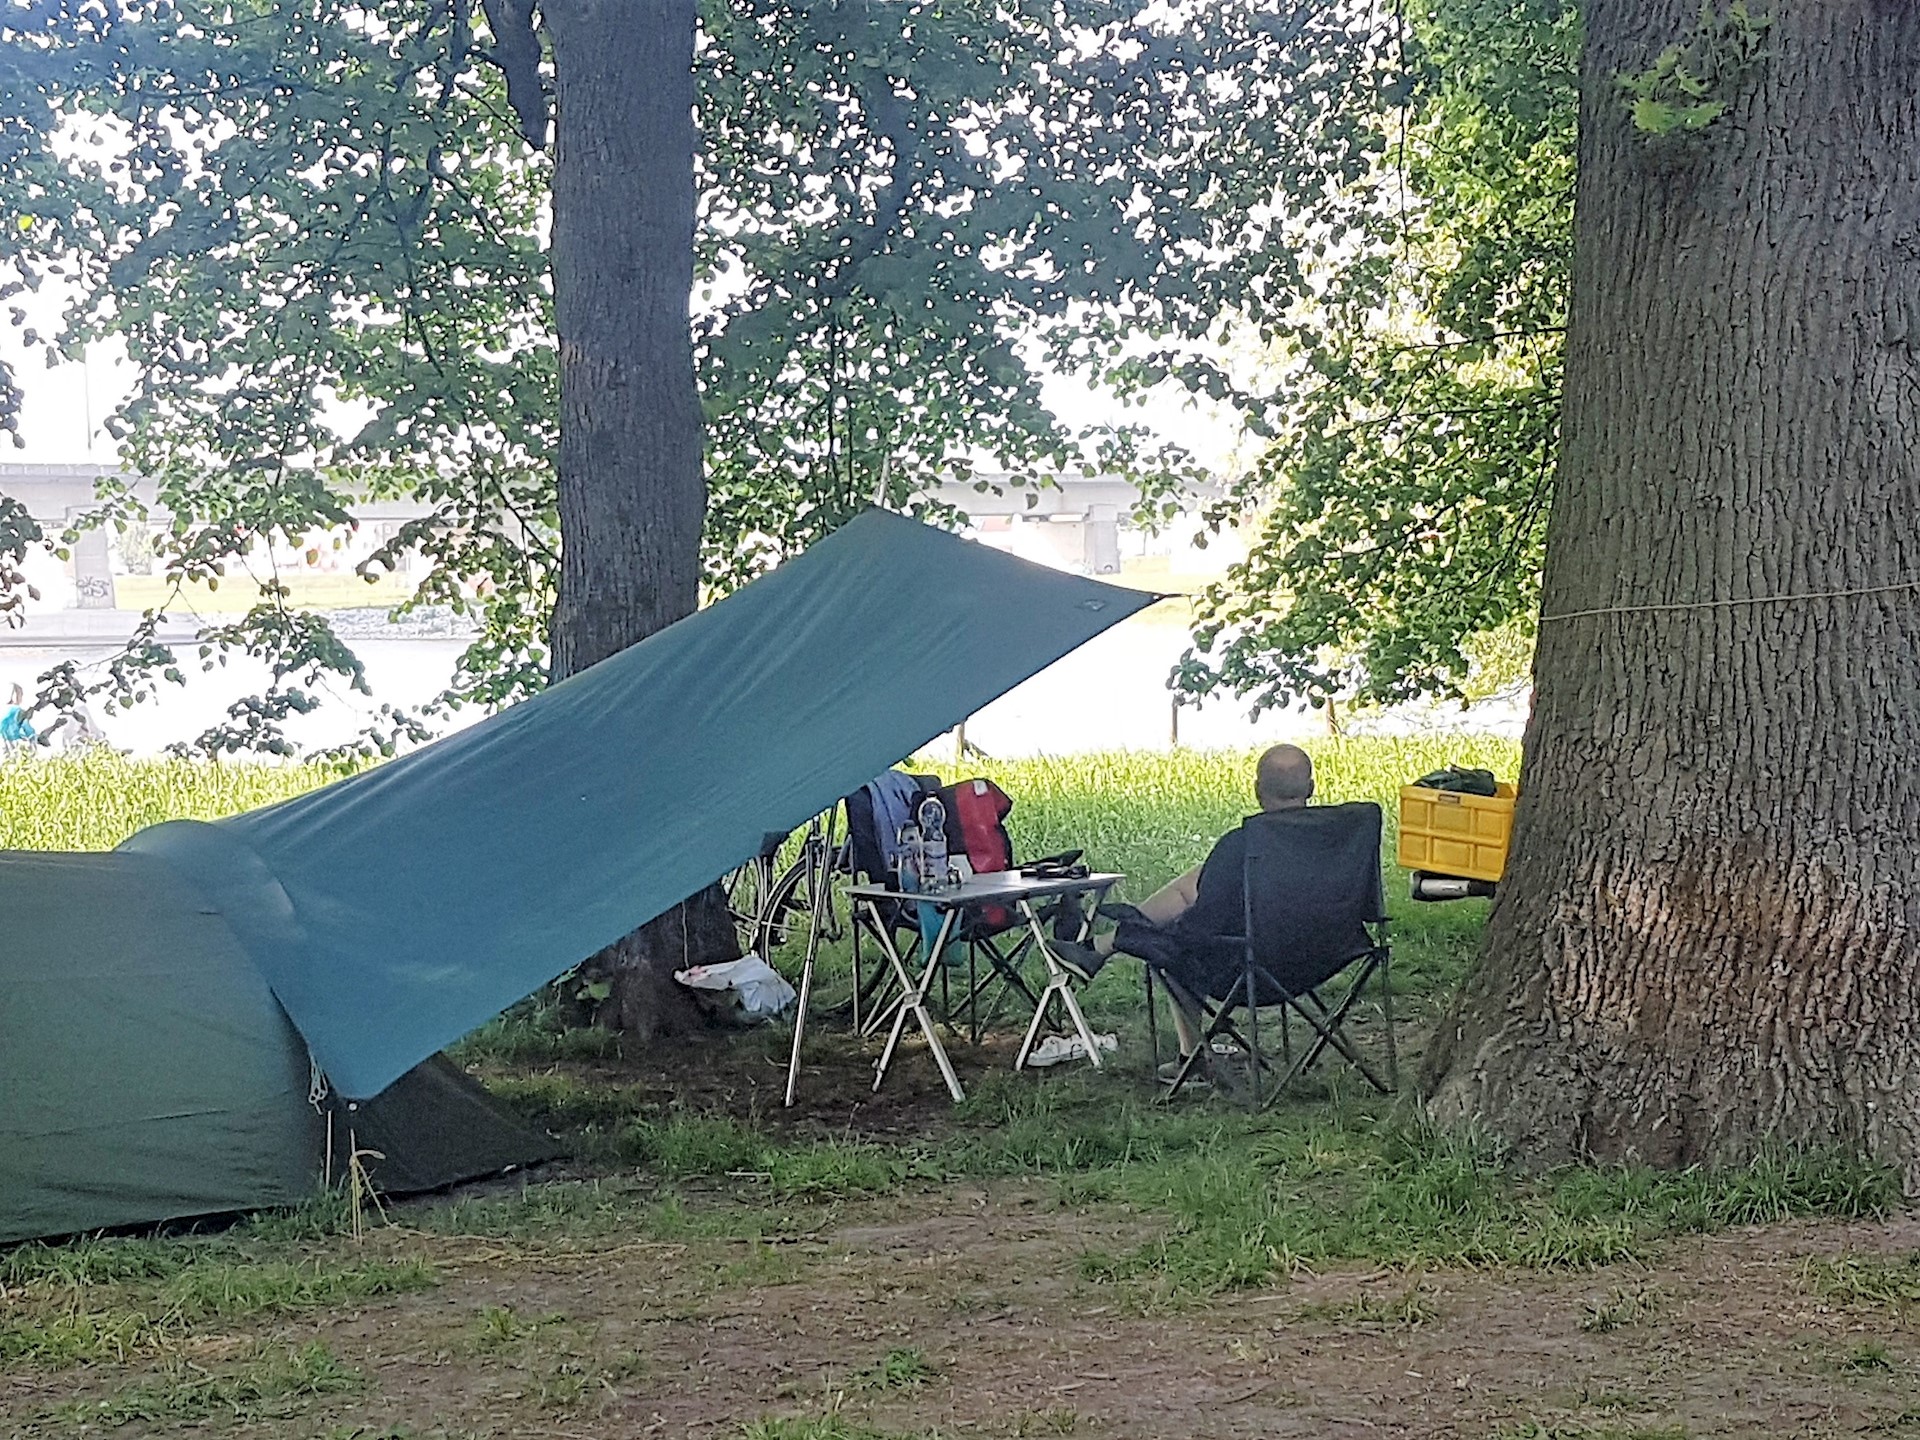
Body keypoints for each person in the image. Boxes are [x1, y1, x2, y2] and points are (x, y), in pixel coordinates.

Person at [1052, 743, 1318, 1079]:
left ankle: (1190, 1060)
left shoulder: (1242, 844)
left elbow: (1200, 929)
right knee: (1199, 878)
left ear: (1256, 790)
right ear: (1311, 788)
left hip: (1255, 969)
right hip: (1323, 958)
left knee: (1176, 951)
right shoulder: (1337, 837)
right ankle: (1111, 938)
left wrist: (1155, 938)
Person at [0, 683, 36, 752]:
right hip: (14, 742)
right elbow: (26, 727)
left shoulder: (2, 710)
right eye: (20, 694)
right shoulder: (18, 711)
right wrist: (32, 737)